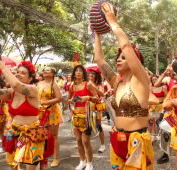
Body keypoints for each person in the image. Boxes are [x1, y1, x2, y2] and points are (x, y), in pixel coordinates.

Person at [94, 3, 154, 169]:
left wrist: (112, 22)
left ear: (136, 62)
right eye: (118, 57)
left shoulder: (141, 80)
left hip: (138, 142)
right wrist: (97, 34)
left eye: (124, 57)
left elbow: (126, 46)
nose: (119, 59)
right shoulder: (116, 82)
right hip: (117, 140)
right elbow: (99, 60)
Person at [0, 56, 46, 170]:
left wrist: (2, 67)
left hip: (32, 134)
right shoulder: (12, 92)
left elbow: (17, 85)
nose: (18, 74)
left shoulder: (33, 90)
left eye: (23, 73)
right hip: (14, 134)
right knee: (13, 167)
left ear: (30, 78)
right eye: (17, 72)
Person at [68, 65, 99, 170]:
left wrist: (88, 97)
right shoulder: (71, 86)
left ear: (83, 73)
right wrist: (71, 101)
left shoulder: (88, 84)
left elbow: (96, 98)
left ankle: (90, 163)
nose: (78, 73)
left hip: (87, 116)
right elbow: (69, 99)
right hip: (76, 115)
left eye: (80, 71)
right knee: (78, 140)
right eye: (76, 71)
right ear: (74, 73)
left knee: (86, 141)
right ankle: (82, 161)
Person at [37, 67, 63, 168]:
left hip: (52, 112)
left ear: (53, 73)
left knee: (53, 135)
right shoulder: (39, 84)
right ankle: (44, 156)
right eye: (44, 70)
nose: (44, 71)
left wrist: (46, 102)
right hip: (40, 112)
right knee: (43, 135)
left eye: (47, 70)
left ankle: (56, 157)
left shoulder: (54, 84)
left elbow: (59, 98)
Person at [87, 67, 106, 153]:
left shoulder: (99, 84)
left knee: (99, 125)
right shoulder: (86, 83)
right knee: (87, 125)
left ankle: (102, 144)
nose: (91, 74)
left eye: (93, 73)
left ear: (96, 76)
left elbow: (102, 94)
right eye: (89, 73)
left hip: (97, 107)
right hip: (87, 106)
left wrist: (94, 87)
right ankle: (86, 142)